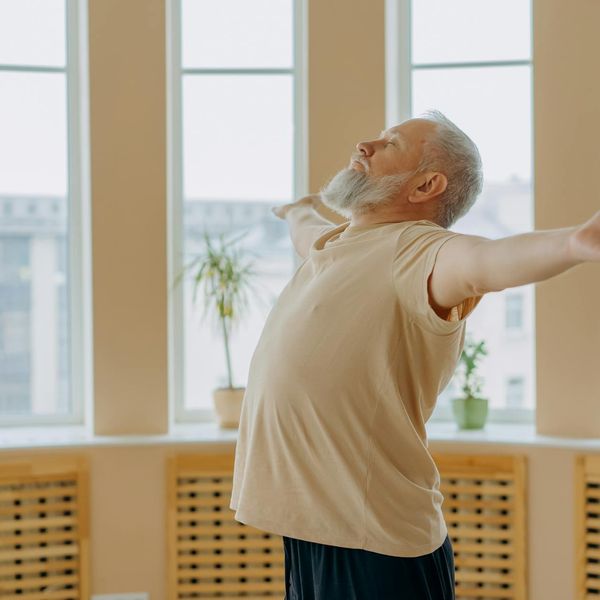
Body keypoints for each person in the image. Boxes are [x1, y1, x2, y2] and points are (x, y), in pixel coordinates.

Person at [229, 109, 600, 599]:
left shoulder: (421, 252)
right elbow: (304, 232)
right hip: (314, 532)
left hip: (374, 546)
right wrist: (296, 209)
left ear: (426, 186)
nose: (365, 144)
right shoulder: (333, 244)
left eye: (390, 143)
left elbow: (484, 263)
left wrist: (576, 244)